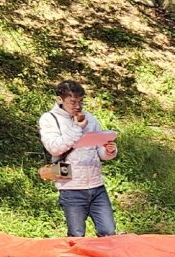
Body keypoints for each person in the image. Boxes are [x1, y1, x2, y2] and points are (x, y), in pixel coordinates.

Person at [37, 79, 119, 237]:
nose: (78, 106)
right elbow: (54, 148)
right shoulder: (49, 119)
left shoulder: (90, 118)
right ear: (60, 100)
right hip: (71, 187)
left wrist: (109, 151)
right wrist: (76, 128)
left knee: (108, 231)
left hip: (96, 185)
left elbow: (99, 150)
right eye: (73, 102)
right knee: (77, 235)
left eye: (81, 101)